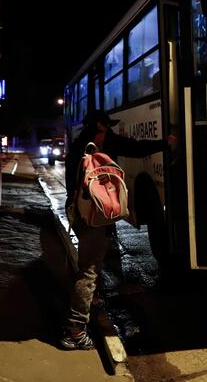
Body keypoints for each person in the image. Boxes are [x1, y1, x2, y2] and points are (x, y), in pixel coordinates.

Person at [60, 109, 175, 350]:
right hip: (96, 217)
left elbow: (72, 183)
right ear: (101, 126)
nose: (110, 129)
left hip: (81, 213)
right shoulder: (107, 143)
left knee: (91, 265)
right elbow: (138, 148)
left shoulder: (79, 145)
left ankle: (90, 306)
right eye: (108, 125)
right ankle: (75, 330)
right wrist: (166, 143)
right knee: (89, 271)